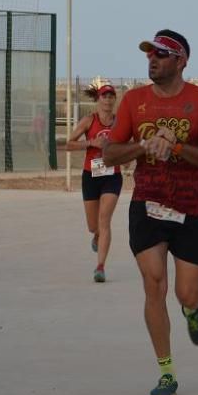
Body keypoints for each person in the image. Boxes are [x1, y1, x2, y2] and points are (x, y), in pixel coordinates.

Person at [103, 30, 198, 395]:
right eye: (150, 54)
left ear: (181, 60)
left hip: (191, 207)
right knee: (153, 284)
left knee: (184, 291)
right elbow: (109, 154)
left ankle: (194, 306)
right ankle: (167, 371)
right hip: (147, 205)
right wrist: (142, 145)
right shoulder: (134, 102)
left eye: (162, 54)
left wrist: (178, 146)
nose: (152, 60)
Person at [64, 80, 122, 283]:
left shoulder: (119, 122)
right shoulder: (89, 120)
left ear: (115, 100)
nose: (107, 99)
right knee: (93, 225)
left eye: (111, 96)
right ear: (98, 100)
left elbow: (128, 144)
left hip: (112, 176)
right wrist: (91, 143)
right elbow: (68, 144)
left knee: (104, 220)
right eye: (104, 96)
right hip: (91, 175)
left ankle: (100, 267)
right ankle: (96, 235)